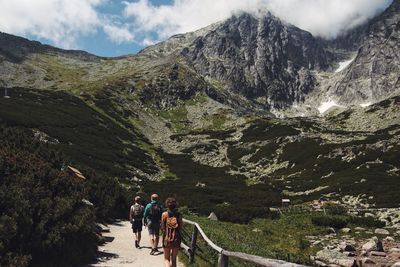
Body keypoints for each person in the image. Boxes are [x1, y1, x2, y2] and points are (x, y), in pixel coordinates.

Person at [161, 197, 182, 267]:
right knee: (174, 259)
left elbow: (163, 228)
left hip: (167, 238)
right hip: (176, 238)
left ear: (167, 205)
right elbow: (180, 227)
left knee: (166, 259)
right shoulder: (179, 215)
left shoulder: (164, 214)